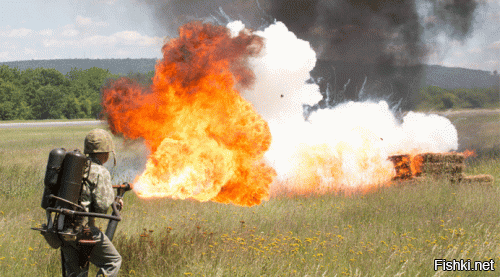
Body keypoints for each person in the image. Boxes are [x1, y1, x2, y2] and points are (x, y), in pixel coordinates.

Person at [60, 128, 122, 277]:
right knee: (113, 261)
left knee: (77, 273)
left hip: (61, 227)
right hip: (81, 229)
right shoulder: (100, 172)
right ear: (105, 153)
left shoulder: (75, 167)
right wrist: (116, 204)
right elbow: (102, 207)